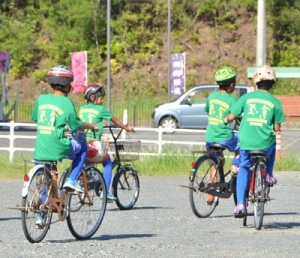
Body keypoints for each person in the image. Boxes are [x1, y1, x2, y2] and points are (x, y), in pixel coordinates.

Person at [31, 65, 99, 226]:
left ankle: (40, 216)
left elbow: (35, 118)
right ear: (67, 85)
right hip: (58, 147)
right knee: (82, 148)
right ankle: (72, 180)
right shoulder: (66, 102)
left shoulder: (41, 99)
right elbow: (75, 125)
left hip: (40, 148)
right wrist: (92, 126)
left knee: (45, 180)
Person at [224, 65, 286, 218]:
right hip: (264, 144)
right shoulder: (275, 102)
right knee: (271, 143)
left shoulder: (246, 98)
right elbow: (277, 127)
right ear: (272, 83)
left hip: (246, 142)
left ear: (256, 83)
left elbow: (232, 115)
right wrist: (275, 126)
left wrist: (225, 119)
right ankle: (269, 175)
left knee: (244, 169)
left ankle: (240, 205)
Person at [79, 83, 134, 202]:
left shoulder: (82, 109)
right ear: (93, 97)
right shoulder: (101, 109)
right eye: (100, 96)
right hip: (93, 144)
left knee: (86, 162)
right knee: (107, 163)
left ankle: (85, 181)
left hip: (82, 143)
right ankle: (106, 192)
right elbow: (115, 120)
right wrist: (126, 128)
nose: (102, 99)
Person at [205, 66, 240, 204]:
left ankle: (210, 195)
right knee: (241, 147)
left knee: (216, 163)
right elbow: (237, 118)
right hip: (225, 136)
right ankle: (235, 166)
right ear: (231, 84)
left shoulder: (211, 97)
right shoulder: (232, 100)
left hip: (210, 137)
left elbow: (208, 111)